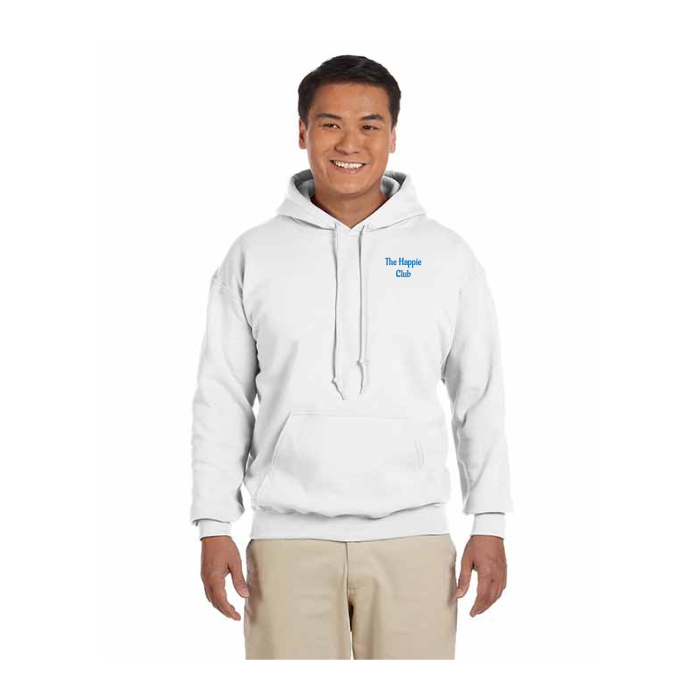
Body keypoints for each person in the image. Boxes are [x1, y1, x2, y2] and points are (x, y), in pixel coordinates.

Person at [190, 54, 513, 661]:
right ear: (302, 131)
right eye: (330, 123)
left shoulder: (446, 255)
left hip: (414, 537)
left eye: (369, 125)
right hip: (286, 543)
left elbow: (480, 394)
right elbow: (222, 396)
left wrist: (489, 521)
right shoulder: (253, 255)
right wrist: (213, 526)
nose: (349, 143)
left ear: (393, 135)